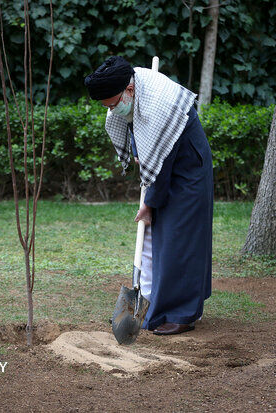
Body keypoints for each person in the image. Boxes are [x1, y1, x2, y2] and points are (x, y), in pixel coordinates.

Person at [84, 56, 213, 335]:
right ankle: (154, 306)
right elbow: (133, 126)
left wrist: (150, 203)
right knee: (157, 241)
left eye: (112, 104)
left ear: (129, 91)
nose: (111, 110)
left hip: (188, 169)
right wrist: (140, 149)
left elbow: (162, 162)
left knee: (181, 241)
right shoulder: (130, 86)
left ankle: (181, 313)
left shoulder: (156, 104)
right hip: (170, 164)